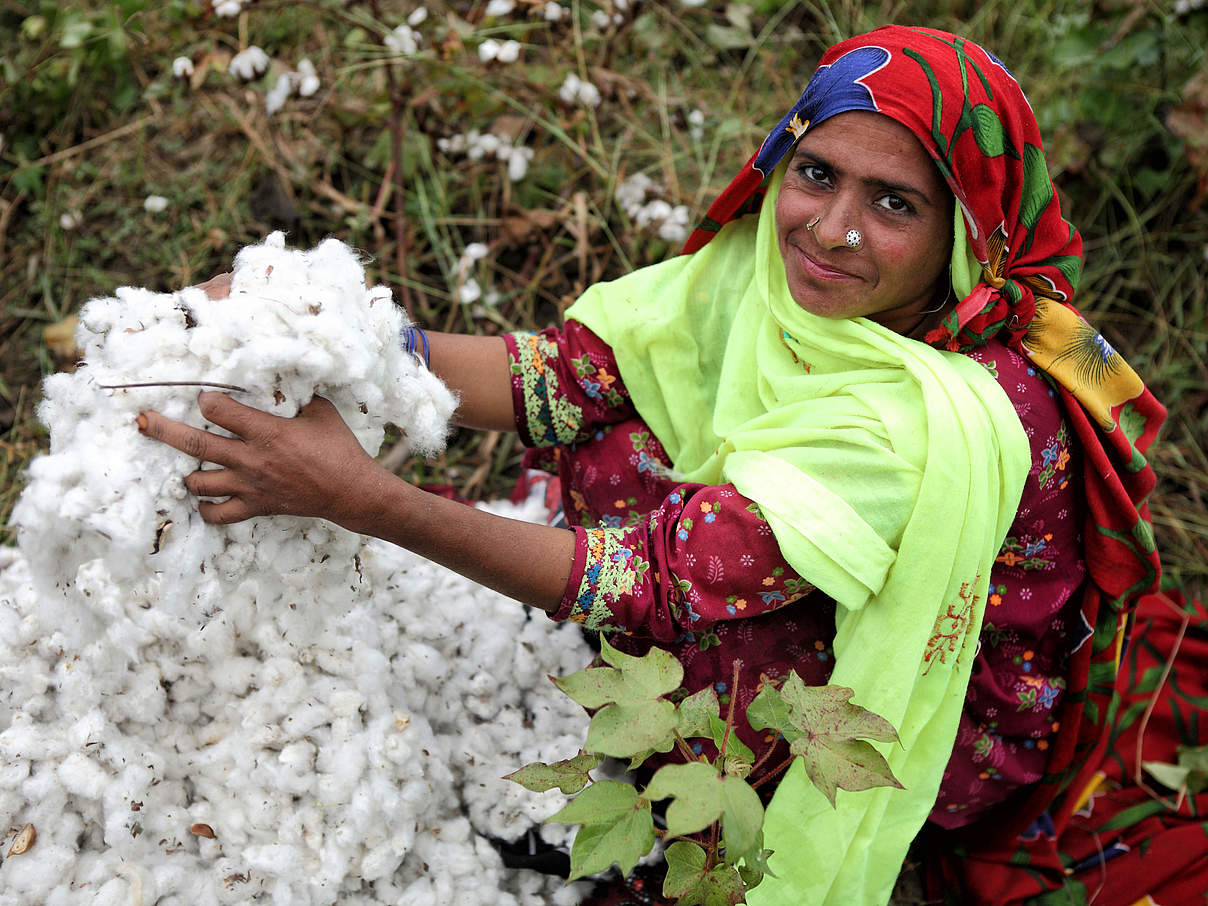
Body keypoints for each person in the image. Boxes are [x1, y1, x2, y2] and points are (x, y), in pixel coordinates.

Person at [139, 25, 1205, 906]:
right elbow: (568, 376)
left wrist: (363, 500)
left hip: (919, 724)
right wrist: (344, 339)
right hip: (754, 571)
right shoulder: (768, 278)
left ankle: (695, 825)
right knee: (618, 423)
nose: (829, 232)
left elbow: (648, 582)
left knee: (671, 566)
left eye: (893, 204)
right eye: (816, 175)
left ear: (965, 231)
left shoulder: (934, 422)